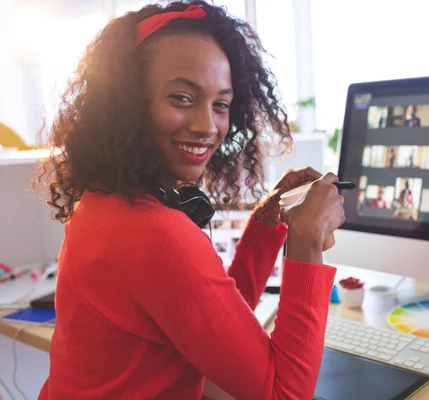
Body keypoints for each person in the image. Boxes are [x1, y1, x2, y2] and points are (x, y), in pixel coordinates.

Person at [36, 3, 346, 399]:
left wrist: (268, 223)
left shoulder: (103, 202)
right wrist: (306, 242)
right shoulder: (155, 233)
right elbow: (283, 393)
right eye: (182, 97)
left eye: (221, 104)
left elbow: (211, 320)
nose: (207, 127)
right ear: (130, 104)